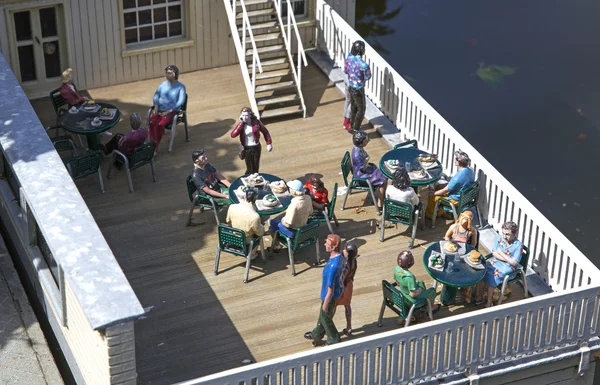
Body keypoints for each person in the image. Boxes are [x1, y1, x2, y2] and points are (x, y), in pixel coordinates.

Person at [304, 234, 345, 346]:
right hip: (337, 291)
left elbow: (330, 289)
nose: (324, 244)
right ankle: (316, 334)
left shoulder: (333, 266)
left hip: (329, 296)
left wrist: (325, 303)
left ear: (333, 247)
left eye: (327, 243)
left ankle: (334, 339)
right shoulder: (341, 257)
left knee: (326, 318)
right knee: (322, 317)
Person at [475, 221, 523, 308]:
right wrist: (507, 258)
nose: (504, 236)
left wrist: (501, 253)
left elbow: (514, 262)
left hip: (508, 267)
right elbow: (494, 253)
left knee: (494, 276)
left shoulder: (518, 245)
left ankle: (489, 301)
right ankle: (481, 295)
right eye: (503, 233)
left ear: (514, 233)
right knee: (482, 271)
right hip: (496, 261)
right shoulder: (499, 239)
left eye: (507, 234)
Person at [426, 150, 475, 218]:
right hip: (464, 197)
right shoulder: (470, 171)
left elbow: (445, 190)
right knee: (439, 187)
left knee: (432, 196)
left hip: (455, 200)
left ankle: (430, 215)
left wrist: (434, 193)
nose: (454, 160)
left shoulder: (458, 177)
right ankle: (440, 212)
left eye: (455, 159)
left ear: (458, 162)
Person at [268, 180, 313, 251]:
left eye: (290, 188)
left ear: (293, 191)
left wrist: (282, 220)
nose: (289, 189)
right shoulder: (308, 198)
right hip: (304, 227)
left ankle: (277, 246)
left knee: (271, 223)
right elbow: (311, 212)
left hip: (294, 231)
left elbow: (288, 224)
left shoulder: (294, 204)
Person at [150, 65, 187, 150]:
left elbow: (180, 102)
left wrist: (168, 111)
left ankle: (154, 147)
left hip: (171, 112)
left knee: (160, 124)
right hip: (160, 109)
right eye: (167, 73)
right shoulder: (163, 84)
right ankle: (153, 143)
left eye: (170, 73)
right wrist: (156, 106)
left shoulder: (181, 87)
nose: (167, 75)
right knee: (152, 123)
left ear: (175, 74)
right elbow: (156, 95)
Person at [351, 131, 387, 211]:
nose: (368, 141)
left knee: (383, 173)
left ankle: (382, 196)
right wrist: (366, 161)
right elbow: (362, 168)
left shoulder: (359, 148)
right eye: (366, 140)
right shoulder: (357, 155)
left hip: (365, 171)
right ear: (361, 142)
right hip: (361, 176)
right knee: (383, 180)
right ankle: (380, 204)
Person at [230, 107, 273, 175]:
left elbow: (265, 132)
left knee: (256, 167)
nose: (245, 117)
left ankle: (256, 180)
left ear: (250, 115)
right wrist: (241, 123)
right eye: (243, 115)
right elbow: (233, 135)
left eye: (246, 115)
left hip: (256, 147)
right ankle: (247, 178)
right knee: (249, 167)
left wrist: (269, 143)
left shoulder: (256, 123)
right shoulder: (242, 125)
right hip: (247, 148)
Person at [344, 40, 371, 132]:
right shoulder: (364, 65)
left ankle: (351, 126)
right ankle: (356, 128)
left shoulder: (349, 59)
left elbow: (346, 71)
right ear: (362, 50)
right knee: (361, 109)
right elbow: (368, 76)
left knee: (353, 107)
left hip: (351, 86)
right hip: (359, 89)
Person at [226, 189, 264, 254]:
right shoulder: (255, 216)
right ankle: (252, 254)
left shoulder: (232, 207)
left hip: (232, 236)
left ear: (244, 197)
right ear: (255, 200)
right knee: (261, 230)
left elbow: (228, 221)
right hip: (246, 240)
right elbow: (259, 233)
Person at [335, 242, 358, 336]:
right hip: (349, 285)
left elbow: (341, 276)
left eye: (344, 249)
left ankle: (326, 327)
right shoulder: (354, 262)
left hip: (341, 286)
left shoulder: (344, 264)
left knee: (333, 305)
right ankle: (349, 327)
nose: (343, 250)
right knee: (347, 305)